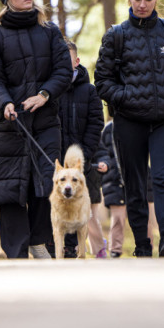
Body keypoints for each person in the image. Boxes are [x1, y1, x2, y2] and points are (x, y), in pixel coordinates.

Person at [94, 0, 164, 257]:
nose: (142, 4)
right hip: (129, 121)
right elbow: (102, 80)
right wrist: (124, 99)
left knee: (163, 180)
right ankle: (142, 245)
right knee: (134, 184)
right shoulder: (116, 36)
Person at [0, 0, 73, 258]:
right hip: (8, 122)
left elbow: (63, 71)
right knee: (11, 188)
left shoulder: (50, 31)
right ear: (8, 0)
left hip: (44, 121)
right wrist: (4, 102)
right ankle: (16, 253)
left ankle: (38, 240)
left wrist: (44, 94)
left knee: (45, 182)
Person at [58, 40, 108, 258]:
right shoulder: (50, 91)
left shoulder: (89, 92)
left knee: (81, 207)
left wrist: (85, 156)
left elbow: (96, 124)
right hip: (57, 162)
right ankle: (61, 247)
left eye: (67, 60)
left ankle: (81, 247)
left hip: (83, 161)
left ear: (76, 62)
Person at [96, 114, 126, 258]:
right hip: (114, 181)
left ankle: (146, 247)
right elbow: (103, 155)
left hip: (134, 179)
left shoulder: (134, 125)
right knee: (118, 218)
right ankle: (115, 249)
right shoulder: (108, 129)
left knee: (143, 218)